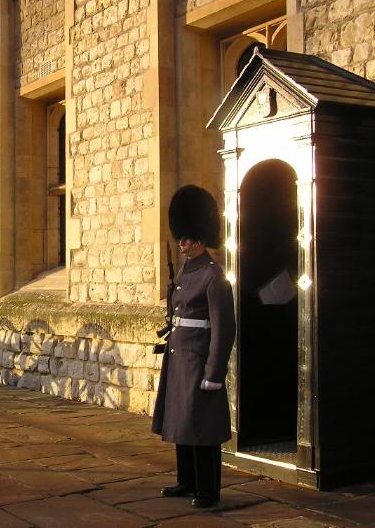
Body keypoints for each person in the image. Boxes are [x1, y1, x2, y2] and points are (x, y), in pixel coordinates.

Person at [152, 185, 236, 508]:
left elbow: (223, 329)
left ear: (200, 238)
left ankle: (208, 489)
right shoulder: (188, 269)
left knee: (202, 428)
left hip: (199, 361)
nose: (182, 243)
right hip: (180, 357)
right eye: (181, 237)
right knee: (181, 422)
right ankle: (186, 480)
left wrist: (214, 372)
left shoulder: (215, 277)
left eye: (186, 238)